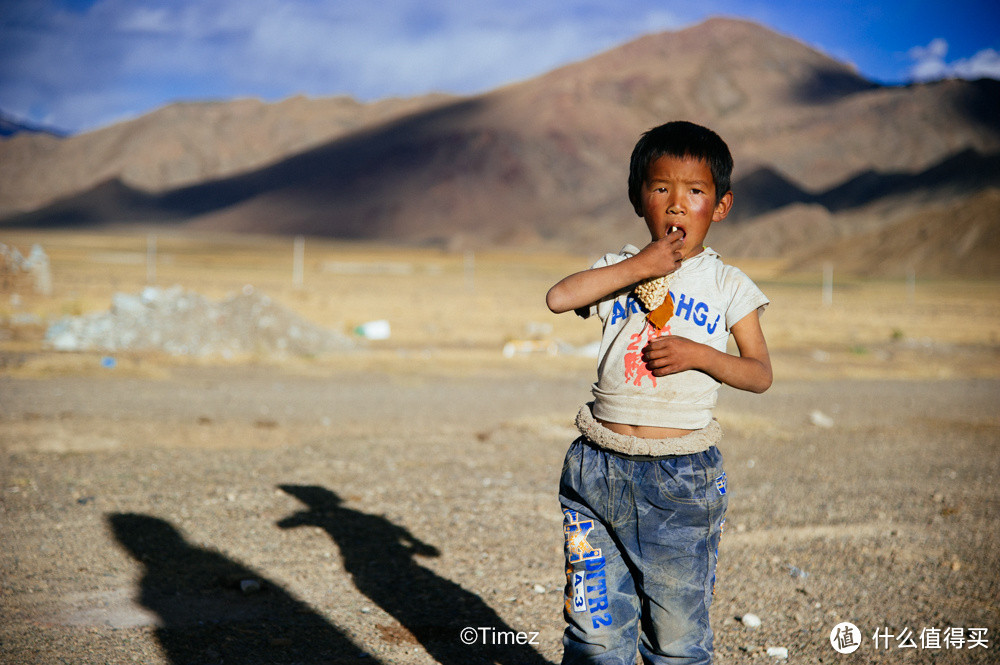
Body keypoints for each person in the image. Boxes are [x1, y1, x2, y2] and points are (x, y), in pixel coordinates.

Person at [546, 120, 772, 664]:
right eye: (661, 188)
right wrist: (639, 266)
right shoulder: (616, 270)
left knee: (676, 636)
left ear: (720, 207)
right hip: (594, 470)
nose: (676, 205)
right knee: (594, 630)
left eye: (695, 192)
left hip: (681, 476)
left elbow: (758, 372)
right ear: (637, 198)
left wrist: (702, 356)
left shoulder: (726, 284)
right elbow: (558, 298)